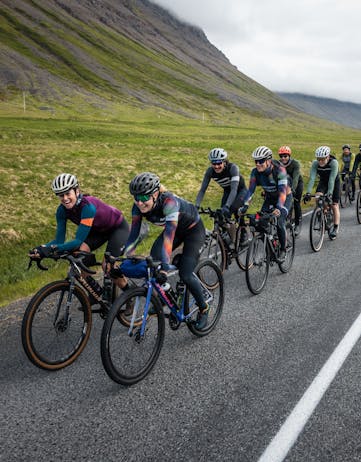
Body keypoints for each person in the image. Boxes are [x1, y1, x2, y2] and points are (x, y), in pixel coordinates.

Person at [121, 172, 209, 329]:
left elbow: (168, 238)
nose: (139, 203)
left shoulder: (169, 203)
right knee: (153, 262)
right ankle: (163, 298)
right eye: (136, 198)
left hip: (193, 231)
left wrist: (164, 269)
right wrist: (125, 256)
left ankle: (204, 308)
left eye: (143, 198)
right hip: (175, 230)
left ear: (155, 194)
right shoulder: (137, 207)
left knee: (185, 274)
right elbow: (133, 235)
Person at [29, 173, 130, 295]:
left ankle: (128, 295)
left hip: (117, 228)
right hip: (97, 231)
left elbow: (76, 241)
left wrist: (51, 250)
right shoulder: (61, 211)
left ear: (77, 191)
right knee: (79, 261)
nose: (65, 198)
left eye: (68, 193)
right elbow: (58, 241)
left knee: (107, 266)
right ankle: (96, 293)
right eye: (61, 195)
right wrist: (42, 248)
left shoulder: (88, 207)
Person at [240, 146, 292, 262]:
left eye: (261, 161)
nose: (258, 164)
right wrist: (245, 205)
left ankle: (283, 249)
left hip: (284, 198)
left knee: (279, 222)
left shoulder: (280, 170)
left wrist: (279, 208)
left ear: (268, 160)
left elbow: (283, 192)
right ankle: (270, 243)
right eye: (256, 161)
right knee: (261, 221)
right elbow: (250, 191)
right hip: (269, 198)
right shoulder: (255, 172)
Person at [195, 147, 248, 246]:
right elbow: (202, 190)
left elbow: (234, 190)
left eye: (219, 163)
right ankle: (228, 241)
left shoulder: (233, 168)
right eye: (214, 163)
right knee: (221, 216)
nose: (216, 166)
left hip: (240, 190)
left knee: (233, 208)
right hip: (228, 191)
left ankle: (244, 231)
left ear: (224, 162)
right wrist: (196, 206)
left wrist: (227, 206)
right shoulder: (210, 171)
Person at [304, 146, 340, 239]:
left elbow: (332, 180)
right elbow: (312, 178)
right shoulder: (315, 164)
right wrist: (308, 192)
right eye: (318, 159)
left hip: (334, 182)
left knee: (334, 205)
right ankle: (322, 214)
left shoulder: (334, 163)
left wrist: (330, 194)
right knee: (318, 197)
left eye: (322, 159)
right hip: (323, 182)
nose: (320, 161)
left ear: (327, 157)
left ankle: (335, 228)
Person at [278, 146, 304, 237]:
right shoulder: (279, 164)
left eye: (285, 156)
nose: (283, 158)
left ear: (289, 156)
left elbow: (296, 177)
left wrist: (293, 189)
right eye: (281, 156)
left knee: (296, 203)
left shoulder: (295, 164)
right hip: (285, 184)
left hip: (297, 183)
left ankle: (297, 224)